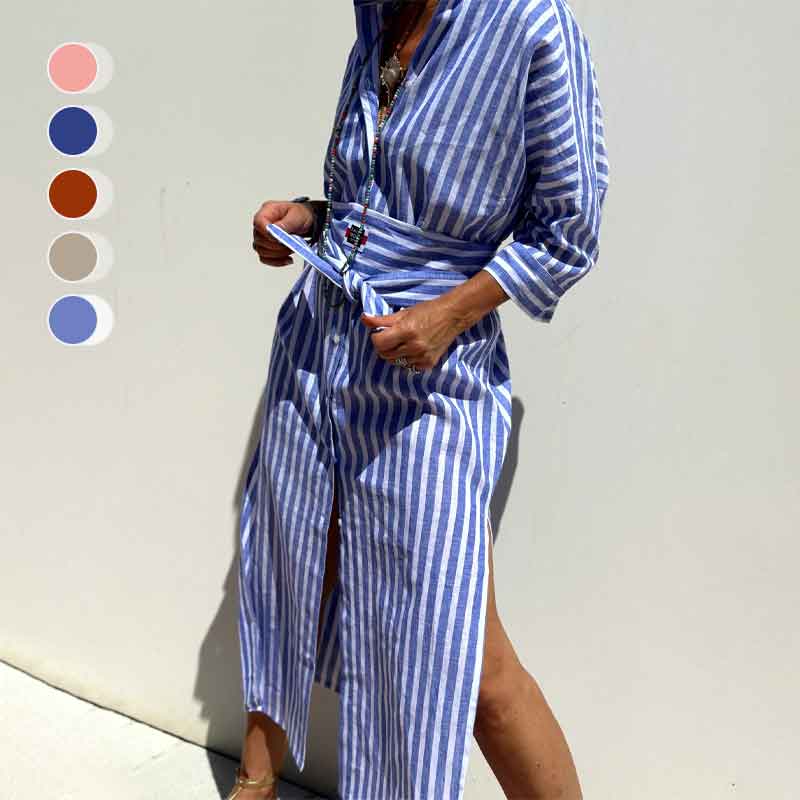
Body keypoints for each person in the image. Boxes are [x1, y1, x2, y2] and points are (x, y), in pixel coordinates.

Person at [230, 0, 609, 798]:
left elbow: (566, 232)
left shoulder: (532, 26)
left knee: (470, 660)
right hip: (318, 348)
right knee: (290, 567)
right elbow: (374, 201)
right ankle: (254, 786)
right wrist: (310, 219)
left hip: (428, 381)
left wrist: (449, 316)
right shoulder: (378, 14)